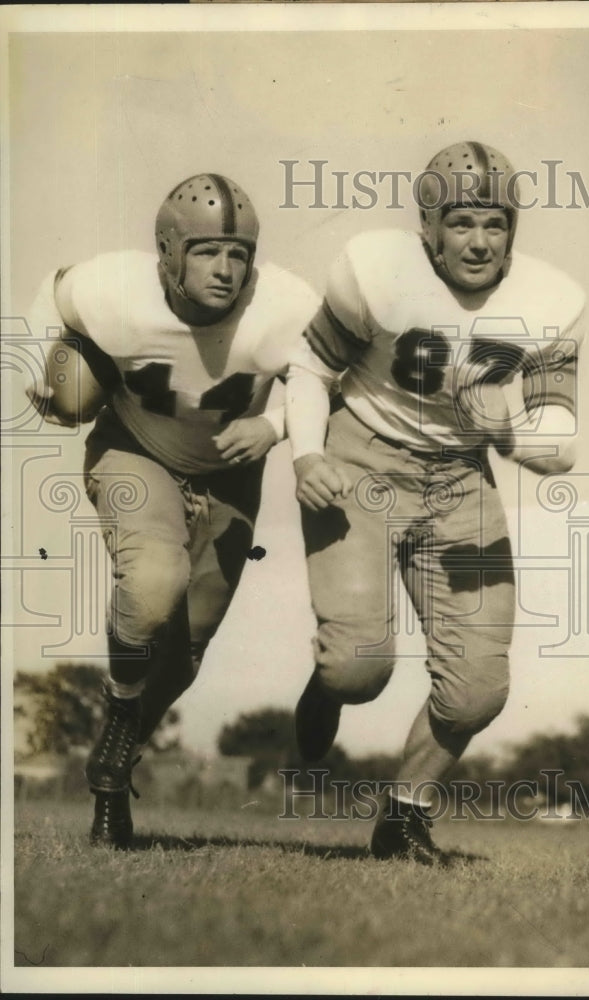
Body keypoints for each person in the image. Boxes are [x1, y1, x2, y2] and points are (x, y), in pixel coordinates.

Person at [285, 141, 585, 864]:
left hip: (460, 481)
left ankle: (405, 811)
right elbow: (307, 365)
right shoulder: (375, 273)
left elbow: (561, 441)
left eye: (495, 223)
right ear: (427, 227)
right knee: (359, 668)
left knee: (479, 684)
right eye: (461, 222)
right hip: (362, 459)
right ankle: (330, 680)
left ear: (514, 229)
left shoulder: (551, 301)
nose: (479, 241)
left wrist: (507, 430)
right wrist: (306, 454)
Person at [25, 173, 319, 848]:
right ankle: (121, 730)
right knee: (156, 582)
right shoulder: (114, 288)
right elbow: (52, 292)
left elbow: (327, 377)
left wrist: (274, 425)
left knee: (184, 656)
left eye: (238, 253)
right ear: (167, 252)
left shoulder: (285, 304)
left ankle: (114, 754)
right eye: (208, 251)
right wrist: (31, 370)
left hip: (229, 472)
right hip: (138, 450)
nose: (226, 269)